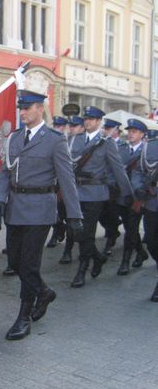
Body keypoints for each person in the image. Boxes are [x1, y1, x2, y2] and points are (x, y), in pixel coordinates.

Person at [0, 90, 83, 340]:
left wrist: (74, 215)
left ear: (39, 109)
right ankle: (43, 291)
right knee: (14, 262)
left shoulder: (54, 140)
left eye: (27, 108)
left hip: (40, 209)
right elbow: (4, 172)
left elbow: (67, 179)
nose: (22, 112)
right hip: (15, 208)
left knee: (29, 264)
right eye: (20, 108)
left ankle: (23, 316)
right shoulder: (14, 138)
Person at [68, 106, 133, 288]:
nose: (87, 121)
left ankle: (82, 269)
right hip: (75, 193)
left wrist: (127, 192)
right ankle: (98, 257)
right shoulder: (75, 140)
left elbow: (118, 168)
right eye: (85, 118)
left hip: (95, 194)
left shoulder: (107, 142)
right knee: (76, 232)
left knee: (86, 232)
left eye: (91, 119)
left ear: (99, 122)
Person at [116, 119, 149, 275]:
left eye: (134, 131)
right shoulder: (120, 148)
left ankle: (125, 262)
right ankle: (141, 252)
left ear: (142, 134)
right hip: (122, 195)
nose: (130, 134)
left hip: (138, 197)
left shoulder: (147, 150)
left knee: (131, 228)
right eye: (129, 131)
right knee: (130, 228)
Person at [133, 133, 158, 300]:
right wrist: (138, 187)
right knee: (151, 241)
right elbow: (139, 170)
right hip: (153, 201)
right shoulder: (151, 145)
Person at [59, 115, 87, 265]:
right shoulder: (64, 140)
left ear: (82, 128)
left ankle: (69, 251)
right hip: (65, 188)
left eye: (75, 126)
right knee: (64, 218)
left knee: (74, 221)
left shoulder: (87, 143)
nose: (71, 128)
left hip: (83, 189)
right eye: (71, 126)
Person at [99, 118, 125, 255]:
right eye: (105, 128)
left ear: (116, 130)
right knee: (101, 215)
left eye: (108, 129)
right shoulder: (101, 144)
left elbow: (120, 168)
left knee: (112, 213)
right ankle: (113, 230)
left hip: (115, 188)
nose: (105, 131)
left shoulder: (123, 146)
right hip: (102, 186)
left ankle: (109, 242)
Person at [46, 116, 70, 249]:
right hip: (52, 182)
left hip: (64, 183)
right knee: (54, 210)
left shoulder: (69, 141)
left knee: (61, 211)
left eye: (60, 126)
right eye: (55, 125)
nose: (57, 128)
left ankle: (58, 231)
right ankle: (58, 229)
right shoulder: (51, 140)